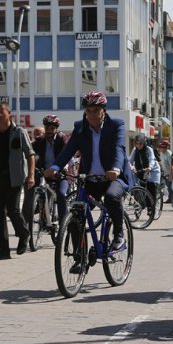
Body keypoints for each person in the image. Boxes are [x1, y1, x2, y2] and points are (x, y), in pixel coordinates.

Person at [45, 91, 133, 269]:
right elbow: (68, 151)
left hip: (114, 177)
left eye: (95, 110)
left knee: (111, 197)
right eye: (88, 110)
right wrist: (55, 168)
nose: (91, 114)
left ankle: (118, 234)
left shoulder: (116, 124)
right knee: (76, 212)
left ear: (103, 110)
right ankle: (80, 257)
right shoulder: (80, 127)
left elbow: (118, 149)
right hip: (91, 180)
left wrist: (115, 169)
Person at [0, 102, 35, 259]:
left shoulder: (19, 132)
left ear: (9, 114)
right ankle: (4, 251)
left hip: (14, 177)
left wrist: (31, 175)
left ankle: (24, 233)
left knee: (13, 210)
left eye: (1, 112)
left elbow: (30, 154)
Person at [23, 114, 69, 235]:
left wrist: (61, 168)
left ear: (56, 128)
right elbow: (29, 152)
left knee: (61, 194)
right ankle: (35, 211)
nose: (49, 130)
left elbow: (67, 154)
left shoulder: (62, 139)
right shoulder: (40, 142)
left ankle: (64, 223)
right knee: (32, 188)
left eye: (52, 128)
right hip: (44, 172)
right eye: (47, 127)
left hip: (60, 173)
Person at [129, 134, 161, 202]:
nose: (138, 145)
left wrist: (150, 167)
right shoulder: (135, 150)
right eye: (137, 144)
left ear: (144, 143)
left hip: (152, 170)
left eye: (140, 143)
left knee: (151, 186)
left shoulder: (149, 149)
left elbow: (152, 159)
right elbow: (130, 161)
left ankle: (152, 208)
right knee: (138, 186)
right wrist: (132, 167)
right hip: (142, 170)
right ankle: (140, 203)